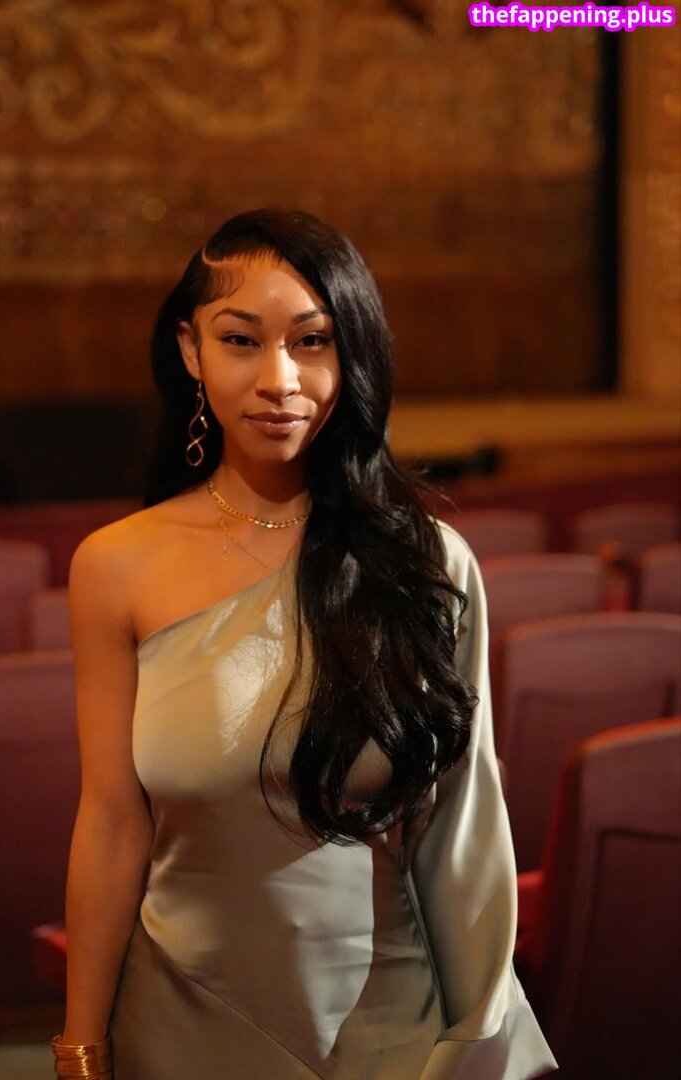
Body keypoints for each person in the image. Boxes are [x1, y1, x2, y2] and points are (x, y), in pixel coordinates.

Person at [52, 209, 558, 1079]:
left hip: (388, 1034)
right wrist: (81, 1048)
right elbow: (108, 824)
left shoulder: (424, 564)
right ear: (190, 350)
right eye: (240, 340)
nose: (279, 379)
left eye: (312, 341)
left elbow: (460, 832)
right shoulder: (115, 567)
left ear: (349, 353)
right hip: (176, 1025)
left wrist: (477, 1044)